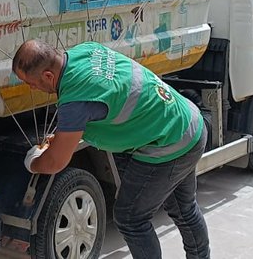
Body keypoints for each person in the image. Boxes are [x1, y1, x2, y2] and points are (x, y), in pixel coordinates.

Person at [12, 39, 211, 259]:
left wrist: (33, 162)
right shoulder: (85, 50)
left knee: (130, 218)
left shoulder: (76, 101)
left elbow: (55, 162)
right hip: (188, 122)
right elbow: (105, 97)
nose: (31, 88)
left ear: (48, 76)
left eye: (30, 82)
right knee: (184, 209)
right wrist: (65, 134)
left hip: (171, 143)